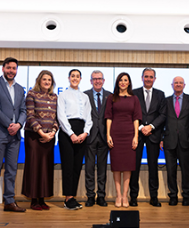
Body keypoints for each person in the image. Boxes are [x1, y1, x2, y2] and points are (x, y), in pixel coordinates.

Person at [0, 57, 27, 215]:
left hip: (15, 135)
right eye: (8, 68)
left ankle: (9, 201)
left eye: (14, 68)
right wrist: (10, 124)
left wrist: (19, 125)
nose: (11, 71)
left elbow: (23, 110)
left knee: (11, 169)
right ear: (3, 68)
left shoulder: (20, 88)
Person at [129, 68, 166, 207]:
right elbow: (131, 113)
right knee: (135, 167)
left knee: (153, 167)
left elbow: (163, 114)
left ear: (154, 79)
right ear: (142, 78)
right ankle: (133, 197)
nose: (148, 79)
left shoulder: (160, 94)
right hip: (137, 135)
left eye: (151, 77)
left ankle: (154, 197)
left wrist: (150, 126)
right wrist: (140, 127)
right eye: (146, 76)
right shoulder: (134, 93)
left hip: (154, 134)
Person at [21, 70, 58, 210]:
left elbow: (56, 118)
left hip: (50, 137)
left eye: (49, 80)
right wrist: (42, 133)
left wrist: (53, 131)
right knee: (34, 167)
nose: (47, 82)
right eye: (44, 79)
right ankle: (34, 200)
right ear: (39, 81)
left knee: (46, 167)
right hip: (34, 136)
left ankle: (42, 199)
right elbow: (30, 116)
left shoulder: (54, 97)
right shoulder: (31, 94)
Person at [57, 69, 92, 210]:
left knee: (77, 166)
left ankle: (73, 197)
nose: (75, 78)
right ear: (68, 78)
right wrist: (71, 133)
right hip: (67, 132)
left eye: (77, 76)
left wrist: (85, 133)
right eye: (73, 76)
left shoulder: (85, 97)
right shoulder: (63, 95)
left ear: (81, 79)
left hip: (82, 131)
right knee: (68, 166)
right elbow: (61, 116)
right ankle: (68, 198)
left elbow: (89, 118)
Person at [105, 72, 141, 208]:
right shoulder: (111, 98)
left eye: (125, 80)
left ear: (129, 83)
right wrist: (108, 135)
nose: (123, 82)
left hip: (129, 134)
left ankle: (125, 196)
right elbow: (108, 117)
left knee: (128, 167)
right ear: (117, 82)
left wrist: (135, 136)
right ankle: (118, 195)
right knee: (116, 167)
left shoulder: (134, 99)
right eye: (120, 80)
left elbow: (136, 118)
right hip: (115, 134)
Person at [160, 76, 189, 206]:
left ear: (184, 85)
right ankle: (173, 195)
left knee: (186, 171)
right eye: (176, 83)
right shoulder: (166, 100)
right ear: (172, 85)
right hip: (169, 140)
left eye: (181, 83)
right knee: (171, 171)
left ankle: (186, 196)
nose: (178, 85)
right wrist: (161, 138)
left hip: (186, 140)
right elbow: (162, 120)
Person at [83, 70, 112, 207]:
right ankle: (90, 196)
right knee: (89, 168)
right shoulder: (84, 95)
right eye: (94, 79)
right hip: (89, 136)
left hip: (105, 137)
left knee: (102, 168)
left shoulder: (110, 96)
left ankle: (101, 196)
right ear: (90, 81)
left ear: (104, 80)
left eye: (100, 78)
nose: (97, 81)